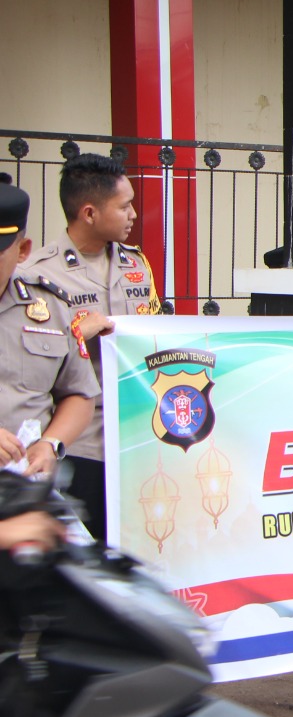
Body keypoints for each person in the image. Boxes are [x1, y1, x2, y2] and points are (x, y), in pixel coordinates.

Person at [20, 154, 157, 540]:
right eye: (124, 206)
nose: (133, 214)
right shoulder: (37, 275)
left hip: (140, 433)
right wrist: (79, 333)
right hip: (81, 441)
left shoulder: (136, 265)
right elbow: (27, 356)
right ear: (90, 213)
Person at [0, 183, 99, 489]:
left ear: (22, 250)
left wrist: (50, 444)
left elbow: (79, 393)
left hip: (23, 487)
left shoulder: (50, 307)